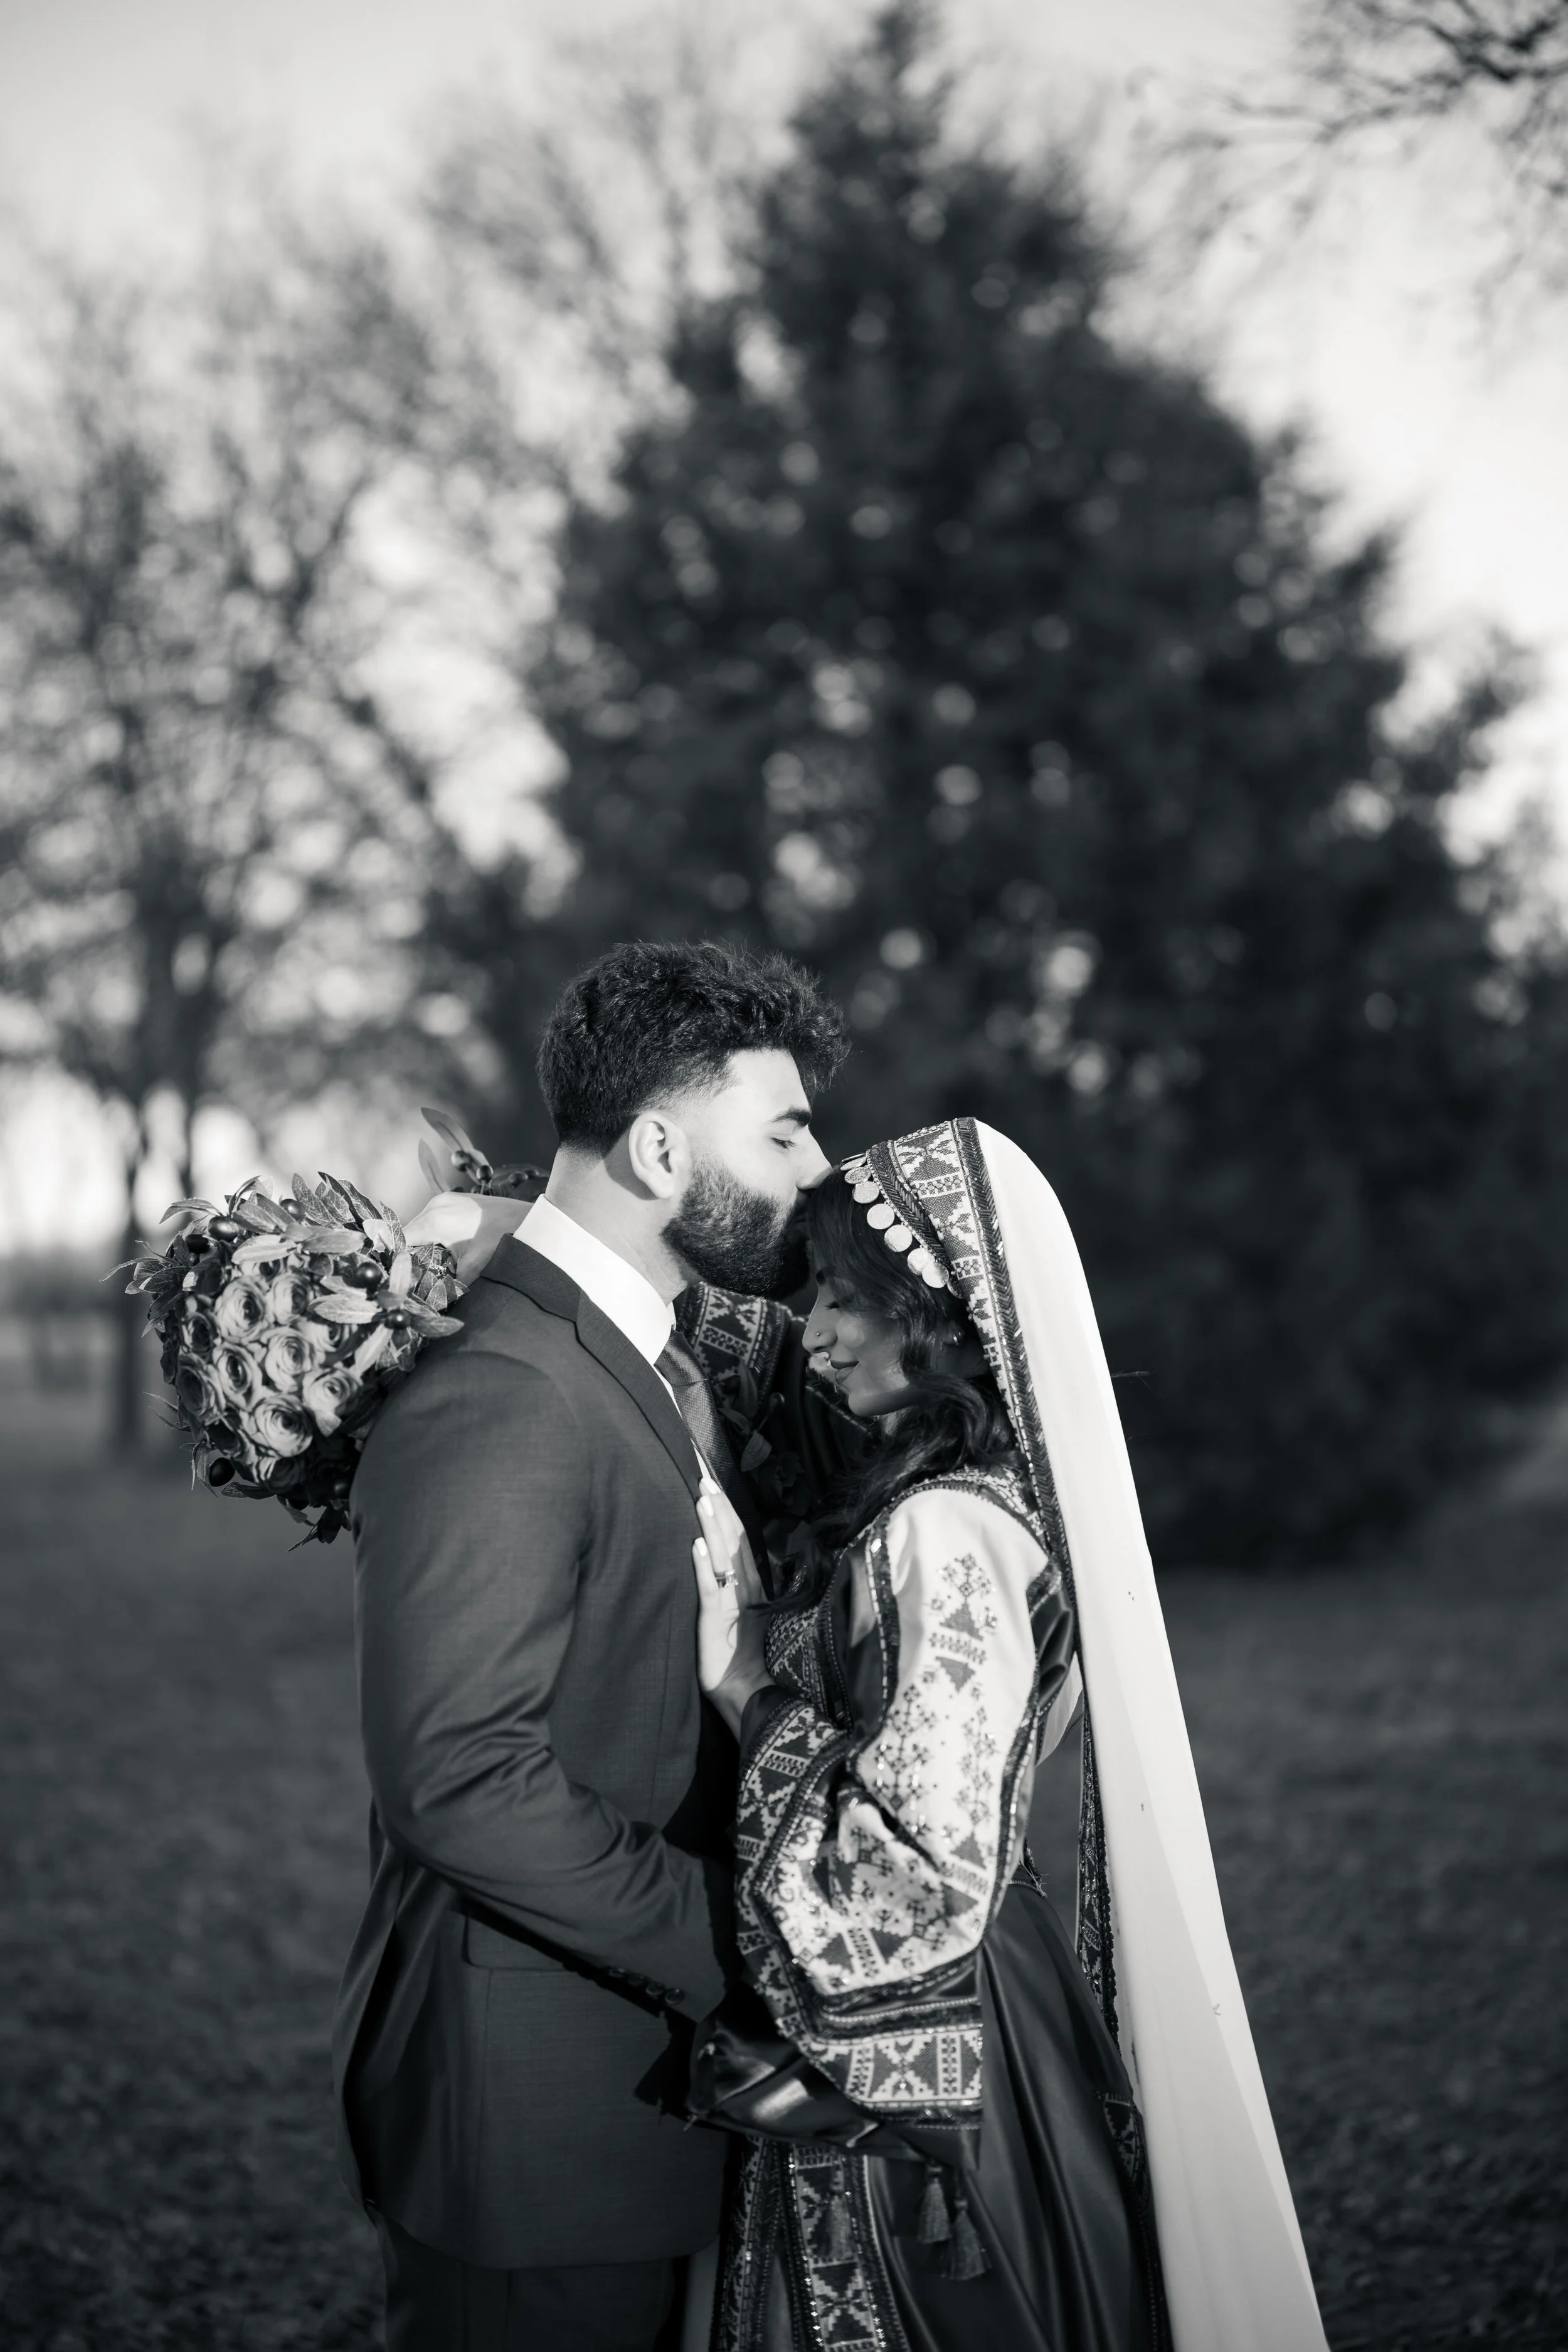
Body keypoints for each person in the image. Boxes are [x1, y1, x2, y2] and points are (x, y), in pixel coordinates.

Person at [684, 1117, 1331, 2352]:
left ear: (940, 1321)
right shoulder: (979, 1504)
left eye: (845, 1301)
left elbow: (921, 1884)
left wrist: (739, 1685)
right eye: (814, 1299)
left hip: (930, 2029)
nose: (816, 1331)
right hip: (993, 1997)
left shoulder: (946, 1533)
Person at [331, 940, 848, 2352]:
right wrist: (752, 1947)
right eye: (785, 1130)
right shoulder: (501, 1390)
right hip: (534, 2119)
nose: (814, 1169)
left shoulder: (637, 1349)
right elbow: (455, 1774)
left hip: (632, 2095)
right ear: (662, 1147)